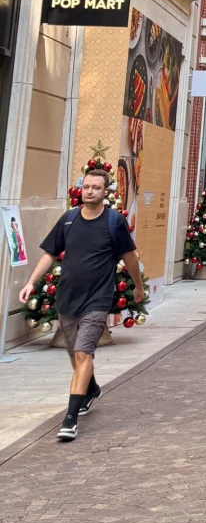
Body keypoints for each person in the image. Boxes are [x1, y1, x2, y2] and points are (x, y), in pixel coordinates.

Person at [19, 166, 142, 441]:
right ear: (81, 189)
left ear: (105, 191)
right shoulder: (68, 220)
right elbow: (50, 254)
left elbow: (130, 257)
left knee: (84, 353)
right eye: (87, 186)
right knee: (76, 354)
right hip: (68, 299)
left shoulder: (114, 222)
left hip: (97, 299)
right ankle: (92, 389)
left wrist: (139, 287)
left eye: (96, 187)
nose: (90, 191)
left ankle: (70, 418)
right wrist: (31, 283)